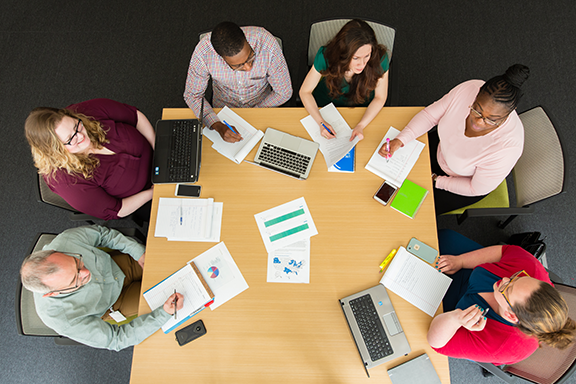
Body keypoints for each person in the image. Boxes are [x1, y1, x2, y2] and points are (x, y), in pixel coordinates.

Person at [379, 64, 530, 214]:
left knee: (403, 209)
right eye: (476, 109)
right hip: (440, 149)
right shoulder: (469, 88)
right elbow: (429, 116)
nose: (477, 122)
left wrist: (437, 180)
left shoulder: (508, 148)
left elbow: (475, 188)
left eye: (491, 120)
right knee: (381, 178)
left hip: (459, 183)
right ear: (476, 95)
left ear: (509, 114)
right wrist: (400, 140)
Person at [20, 225, 183, 351]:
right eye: (74, 280)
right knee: (175, 302)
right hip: (114, 304)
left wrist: (137, 251)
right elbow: (116, 339)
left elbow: (104, 235)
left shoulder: (65, 240)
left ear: (55, 251)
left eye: (76, 262)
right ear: (53, 293)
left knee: (177, 262)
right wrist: (164, 313)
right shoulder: (60, 319)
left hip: (118, 266)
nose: (86, 272)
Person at [427, 229, 576, 365]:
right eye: (516, 277)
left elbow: (437, 343)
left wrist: (455, 318)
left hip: (452, 312)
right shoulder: (532, 270)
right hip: (468, 270)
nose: (504, 279)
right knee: (438, 236)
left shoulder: (502, 346)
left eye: (508, 289)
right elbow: (505, 251)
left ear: (511, 315)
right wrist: (460, 261)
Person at [25, 98, 155, 221]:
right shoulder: (68, 181)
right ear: (56, 151)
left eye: (76, 126)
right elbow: (117, 210)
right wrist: (153, 192)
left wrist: (159, 150)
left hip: (159, 152)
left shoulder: (84, 112)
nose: (80, 135)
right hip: (148, 195)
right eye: (70, 139)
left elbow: (135, 116)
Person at [184, 21, 292, 143]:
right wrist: (217, 125)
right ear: (221, 58)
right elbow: (193, 95)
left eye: (251, 57)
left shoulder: (266, 43)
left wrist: (256, 111)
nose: (248, 68)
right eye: (238, 66)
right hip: (223, 111)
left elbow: (284, 92)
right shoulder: (203, 54)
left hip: (263, 106)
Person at [299, 19, 389, 141]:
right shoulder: (326, 56)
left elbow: (380, 97)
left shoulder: (379, 59)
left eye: (366, 56)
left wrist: (361, 125)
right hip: (325, 107)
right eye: (356, 58)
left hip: (361, 110)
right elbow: (305, 92)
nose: (362, 64)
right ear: (343, 53)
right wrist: (321, 122)